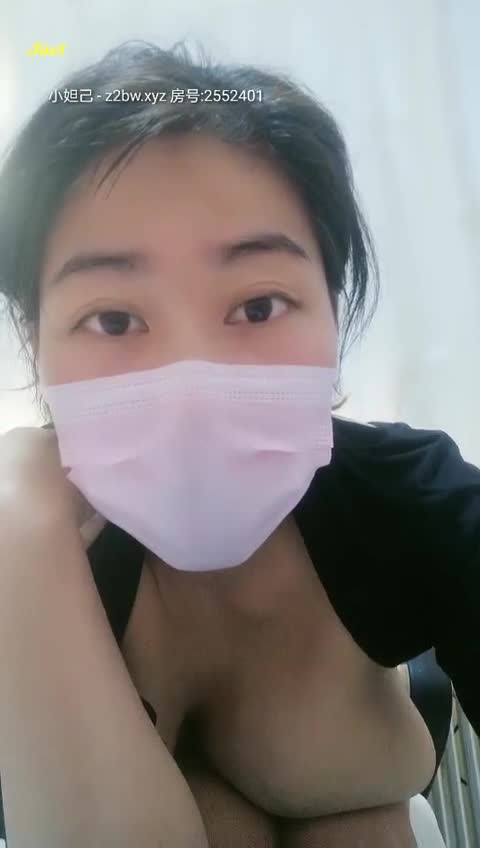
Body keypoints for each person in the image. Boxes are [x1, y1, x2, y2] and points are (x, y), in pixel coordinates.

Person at [0, 40, 478, 848]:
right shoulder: (30, 540)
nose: (192, 385)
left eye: (258, 307)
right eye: (114, 319)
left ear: (333, 314)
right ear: (35, 341)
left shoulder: (408, 496)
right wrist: (19, 529)